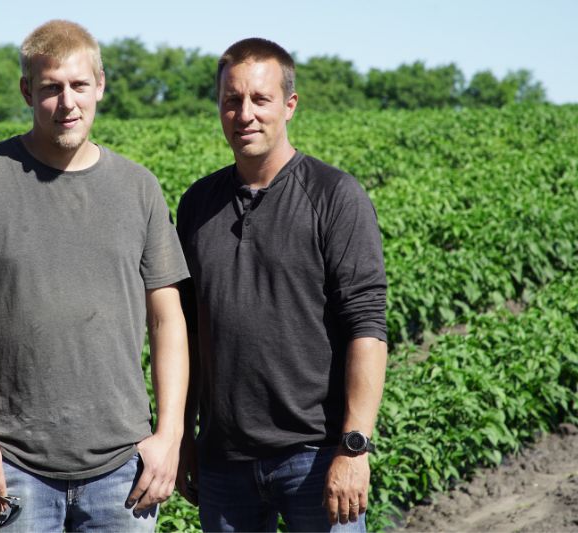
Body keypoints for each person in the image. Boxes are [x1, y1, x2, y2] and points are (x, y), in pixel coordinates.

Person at [0, 20, 189, 532]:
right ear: (26, 91)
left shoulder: (138, 188)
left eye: (80, 85)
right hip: (9, 468)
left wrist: (168, 437)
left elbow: (168, 320)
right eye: (50, 88)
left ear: (100, 85)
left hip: (122, 472)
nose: (68, 103)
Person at [175, 37, 388, 532]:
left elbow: (367, 327)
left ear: (289, 105)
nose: (244, 113)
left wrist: (354, 447)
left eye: (260, 99)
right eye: (232, 100)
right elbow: (186, 335)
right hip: (225, 463)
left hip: (314, 458)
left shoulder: (335, 195)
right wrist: (182, 437)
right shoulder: (197, 204)